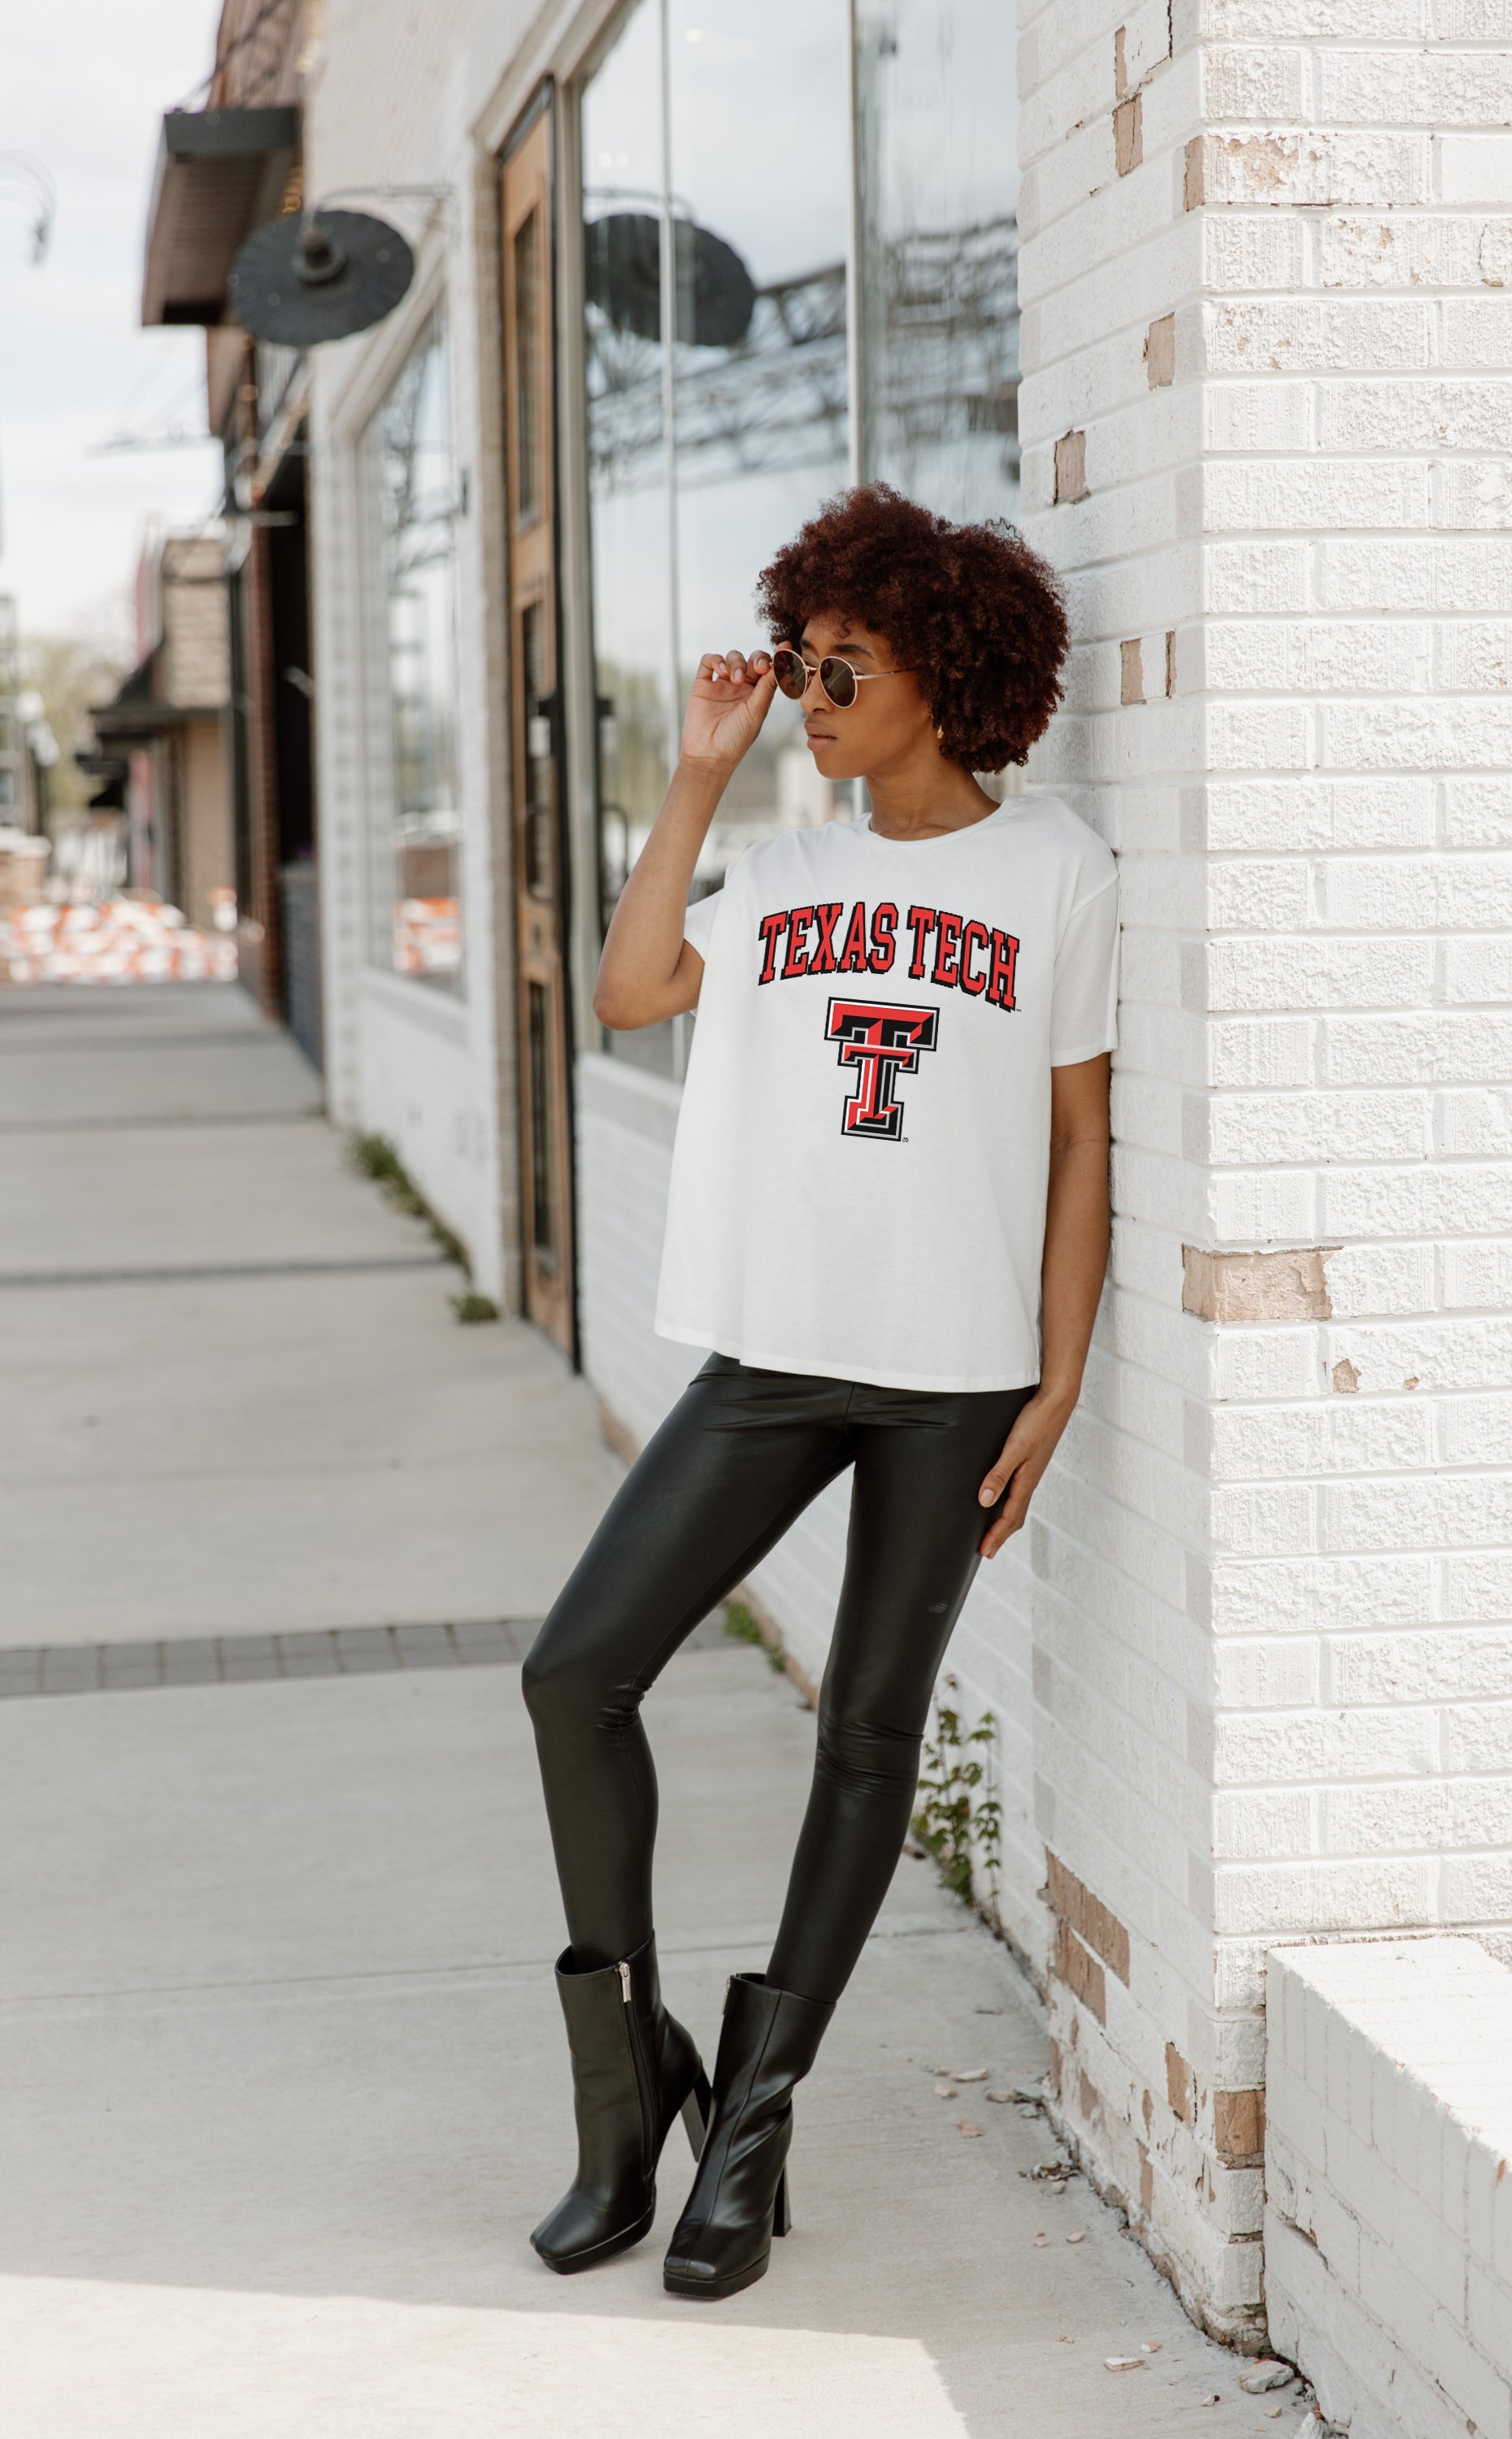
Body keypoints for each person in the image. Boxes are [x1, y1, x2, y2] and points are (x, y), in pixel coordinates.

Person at [521, 484, 1117, 2302]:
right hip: (773, 1357)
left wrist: (1060, 1380)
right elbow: (626, 992)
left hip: (954, 1380)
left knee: (869, 1736)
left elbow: (1084, 1140)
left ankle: (754, 2131)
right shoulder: (777, 869)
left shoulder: (1056, 871)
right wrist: (701, 769)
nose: (809, 688)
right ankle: (630, 2100)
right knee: (573, 1672)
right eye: (800, 659)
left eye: (837, 660)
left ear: (944, 666)